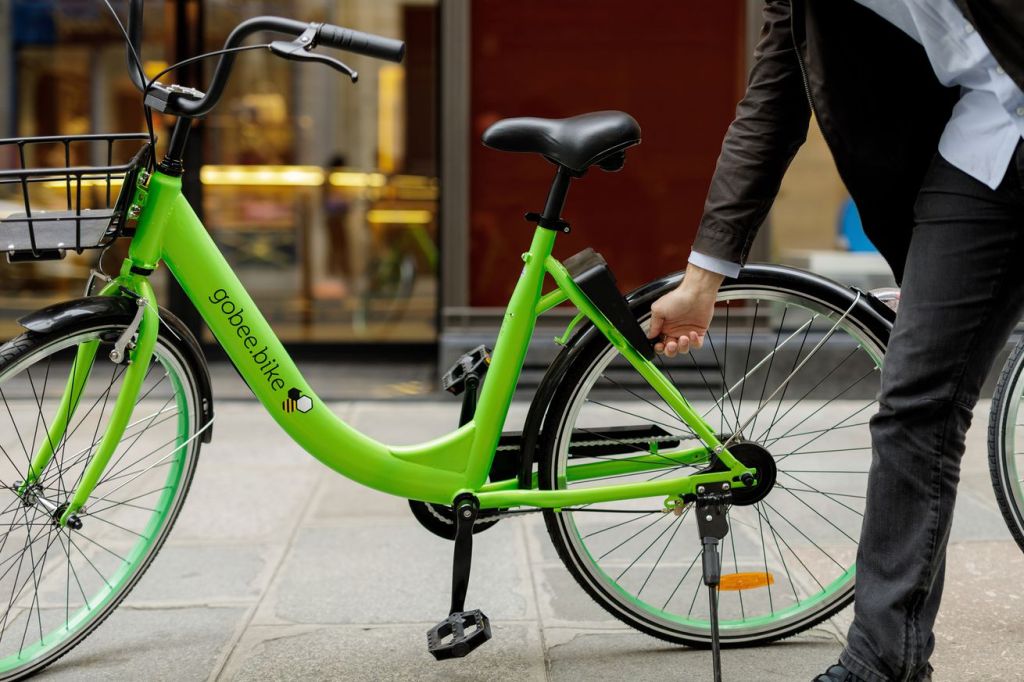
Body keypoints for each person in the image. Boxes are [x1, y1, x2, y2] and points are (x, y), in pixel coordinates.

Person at [646, 2, 1024, 681]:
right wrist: (704, 278)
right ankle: (882, 662)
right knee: (916, 399)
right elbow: (771, 104)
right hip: (984, 148)